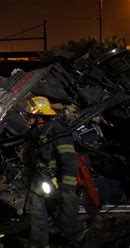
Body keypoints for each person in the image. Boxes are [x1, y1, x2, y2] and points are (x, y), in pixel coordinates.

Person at [23, 96, 88, 247]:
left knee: (64, 218)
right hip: (40, 182)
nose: (27, 117)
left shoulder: (57, 130)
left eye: (30, 114)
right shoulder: (35, 133)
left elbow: (70, 160)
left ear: (39, 116)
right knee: (36, 214)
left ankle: (86, 240)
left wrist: (67, 188)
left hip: (57, 182)